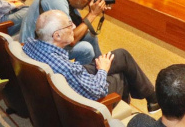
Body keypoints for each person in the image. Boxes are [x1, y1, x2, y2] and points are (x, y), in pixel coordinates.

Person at [23, 10, 159, 112]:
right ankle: (120, 119)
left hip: (68, 80)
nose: (74, 27)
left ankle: (152, 97)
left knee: (121, 55)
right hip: (81, 101)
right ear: (57, 35)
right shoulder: (66, 69)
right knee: (119, 76)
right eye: (68, 25)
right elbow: (98, 91)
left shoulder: (29, 44)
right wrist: (102, 70)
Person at [19, 0, 106, 65]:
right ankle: (78, 76)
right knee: (86, 49)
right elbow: (71, 40)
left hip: (46, 40)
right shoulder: (57, 1)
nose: (89, 1)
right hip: (34, 49)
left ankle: (103, 67)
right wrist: (93, 14)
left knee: (91, 37)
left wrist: (92, 12)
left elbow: (79, 27)